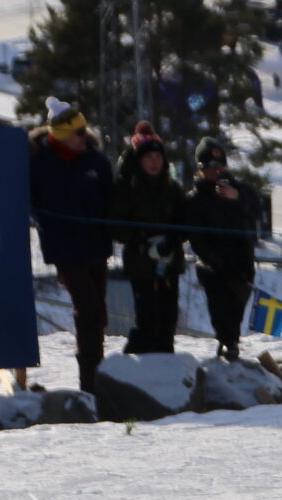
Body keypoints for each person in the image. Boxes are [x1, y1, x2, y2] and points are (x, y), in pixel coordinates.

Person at [28, 101, 114, 390]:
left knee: (98, 312)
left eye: (84, 130)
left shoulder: (96, 161)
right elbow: (29, 199)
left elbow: (110, 199)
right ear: (61, 135)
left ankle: (94, 367)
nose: (83, 136)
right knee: (88, 309)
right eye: (77, 132)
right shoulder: (39, 163)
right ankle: (89, 378)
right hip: (64, 248)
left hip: (96, 245)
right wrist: (42, 221)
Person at [184, 138, 261, 362]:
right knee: (220, 310)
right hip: (214, 265)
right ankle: (227, 342)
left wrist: (237, 198)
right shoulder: (196, 199)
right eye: (211, 167)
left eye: (221, 166)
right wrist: (214, 259)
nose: (217, 171)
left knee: (237, 309)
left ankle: (232, 342)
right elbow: (196, 237)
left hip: (241, 261)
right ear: (201, 169)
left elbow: (256, 211)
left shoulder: (240, 190)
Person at [111, 130, 187, 355]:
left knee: (168, 316)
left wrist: (172, 239)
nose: (154, 162)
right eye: (148, 158)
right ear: (139, 160)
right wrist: (139, 238)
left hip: (170, 261)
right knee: (147, 316)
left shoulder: (172, 187)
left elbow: (185, 220)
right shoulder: (127, 187)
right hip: (141, 262)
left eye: (157, 157)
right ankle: (141, 358)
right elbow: (115, 225)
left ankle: (165, 357)